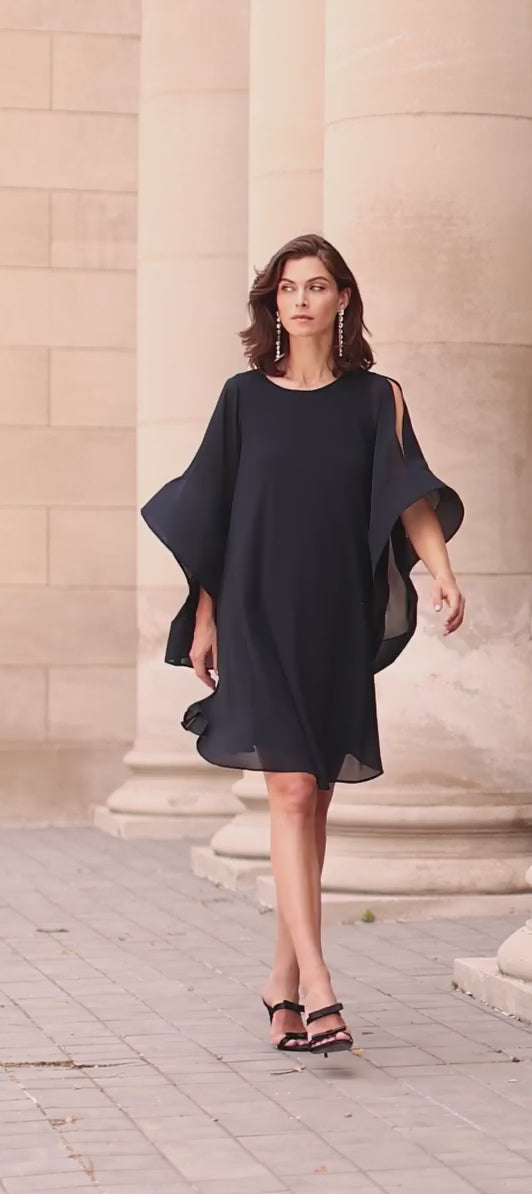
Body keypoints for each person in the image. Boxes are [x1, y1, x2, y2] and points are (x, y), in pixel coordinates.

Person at [141, 233, 465, 1057]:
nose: (301, 299)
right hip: (255, 608)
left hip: (334, 614)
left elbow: (407, 494)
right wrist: (206, 615)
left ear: (342, 300)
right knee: (288, 790)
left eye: (317, 286)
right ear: (273, 303)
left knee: (314, 796)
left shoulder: (376, 398)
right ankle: (320, 988)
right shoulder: (244, 398)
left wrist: (442, 570)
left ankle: (280, 983)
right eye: (287, 287)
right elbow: (213, 509)